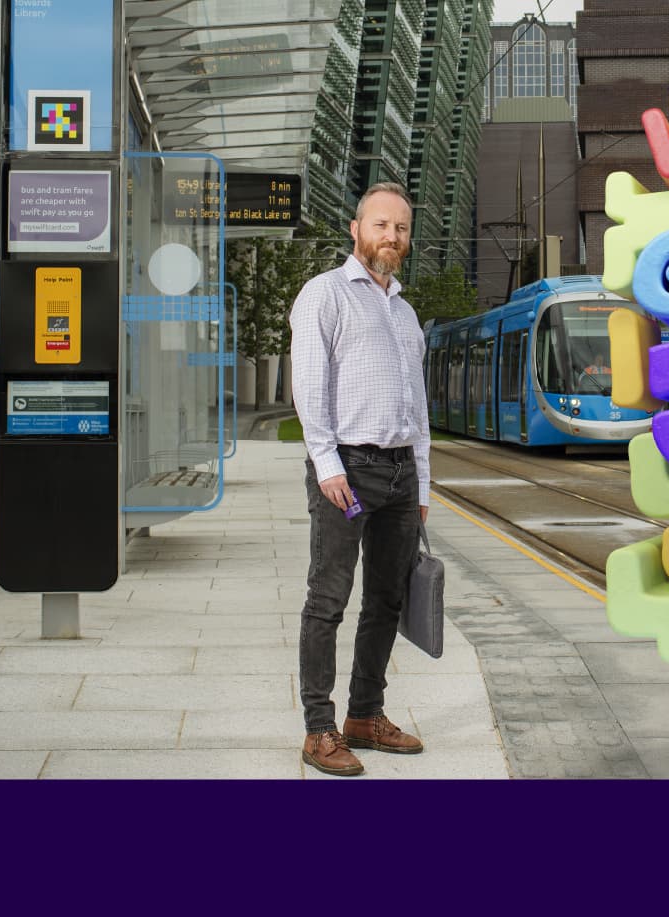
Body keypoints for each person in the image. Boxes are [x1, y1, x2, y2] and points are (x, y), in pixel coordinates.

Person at [289, 182, 431, 776]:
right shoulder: (324, 294)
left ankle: (364, 716)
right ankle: (319, 729)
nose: (390, 237)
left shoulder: (405, 311)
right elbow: (309, 386)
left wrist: (423, 483)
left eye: (400, 228)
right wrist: (326, 465)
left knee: (387, 601)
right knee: (328, 599)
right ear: (356, 229)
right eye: (380, 225)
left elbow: (418, 406)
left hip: (400, 475)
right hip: (348, 472)